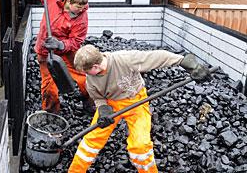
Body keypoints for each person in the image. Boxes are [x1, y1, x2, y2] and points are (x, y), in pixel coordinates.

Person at [68, 45, 211, 173]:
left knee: (140, 146)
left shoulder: (125, 59)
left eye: (87, 71)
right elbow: (97, 97)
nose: (85, 75)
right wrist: (103, 108)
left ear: (95, 66)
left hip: (136, 101)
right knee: (92, 140)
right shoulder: (91, 79)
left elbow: (157, 57)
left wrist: (185, 62)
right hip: (111, 104)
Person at [30, 0, 92, 113]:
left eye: (83, 7)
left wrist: (60, 44)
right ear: (68, 1)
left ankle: (90, 101)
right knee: (48, 85)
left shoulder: (81, 18)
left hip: (66, 51)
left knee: (82, 76)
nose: (81, 10)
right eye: (78, 7)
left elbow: (76, 41)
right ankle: (51, 113)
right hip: (45, 50)